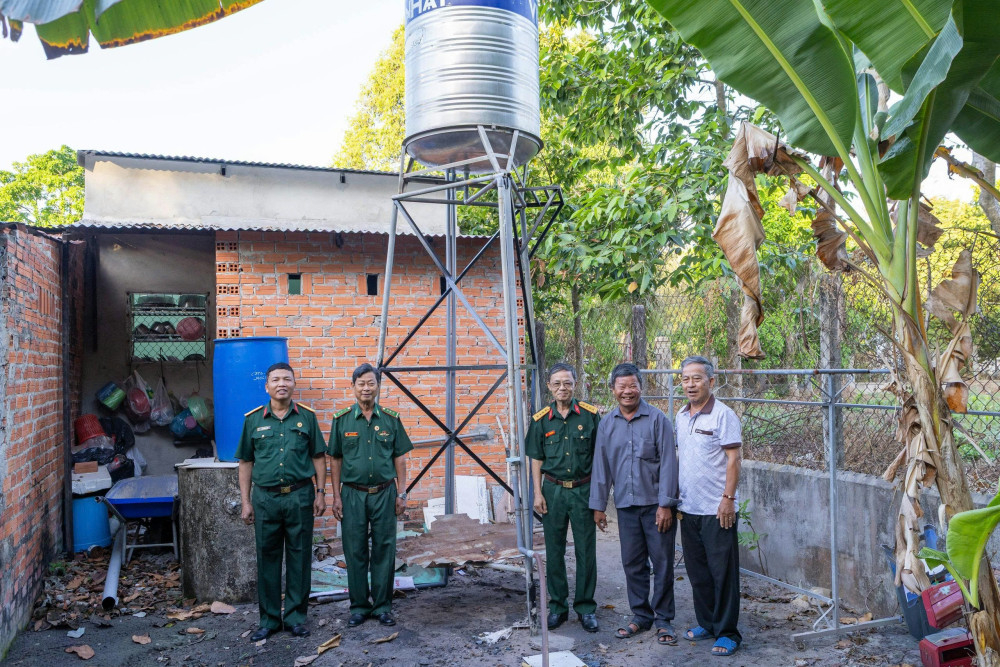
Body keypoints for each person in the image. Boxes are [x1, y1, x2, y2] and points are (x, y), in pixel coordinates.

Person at [590, 362, 679, 646]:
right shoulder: (607, 424)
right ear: (613, 389)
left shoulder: (657, 420)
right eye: (622, 386)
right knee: (632, 563)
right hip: (626, 506)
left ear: (641, 387)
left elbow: (668, 465)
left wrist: (666, 504)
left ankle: (663, 619)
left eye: (633, 386)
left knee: (663, 563)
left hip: (656, 507)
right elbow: (601, 467)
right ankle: (640, 616)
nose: (627, 392)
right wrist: (598, 505)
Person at [237, 362, 327, 641]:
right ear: (267, 386)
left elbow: (318, 456)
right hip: (265, 499)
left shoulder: (307, 418)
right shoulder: (253, 420)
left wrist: (321, 492)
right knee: (267, 558)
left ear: (293, 384)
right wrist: (246, 501)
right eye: (275, 379)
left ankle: (297, 618)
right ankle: (269, 620)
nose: (281, 383)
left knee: (300, 558)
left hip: (300, 496)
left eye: (286, 379)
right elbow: (245, 461)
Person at [328, 363, 412, 628]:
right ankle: (359, 607)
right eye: (361, 383)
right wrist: (336, 496)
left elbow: (400, 458)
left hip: (385, 493)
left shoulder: (391, 419)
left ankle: (383, 606)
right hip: (352, 494)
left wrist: (402, 493)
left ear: (377, 387)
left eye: (371, 383)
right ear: (353, 387)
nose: (366, 388)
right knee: (355, 550)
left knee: (384, 550)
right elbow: (335, 460)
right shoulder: (341, 420)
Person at [526, 362, 602, 632]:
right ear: (549, 386)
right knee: (554, 551)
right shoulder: (540, 420)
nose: (562, 388)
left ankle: (585, 608)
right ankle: (558, 607)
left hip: (583, 490)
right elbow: (535, 458)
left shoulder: (591, 416)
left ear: (575, 384)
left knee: (586, 551)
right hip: (553, 491)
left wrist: (600, 498)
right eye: (557, 383)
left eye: (567, 383)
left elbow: (599, 458)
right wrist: (537, 493)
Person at [675, 355, 743, 657]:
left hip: (718, 511)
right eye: (686, 379)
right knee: (698, 572)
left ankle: (728, 632)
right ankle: (708, 623)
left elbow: (734, 459)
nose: (691, 384)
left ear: (711, 381)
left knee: (723, 574)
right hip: (688, 509)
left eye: (697, 378)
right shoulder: (681, 415)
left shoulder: (723, 416)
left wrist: (727, 500)